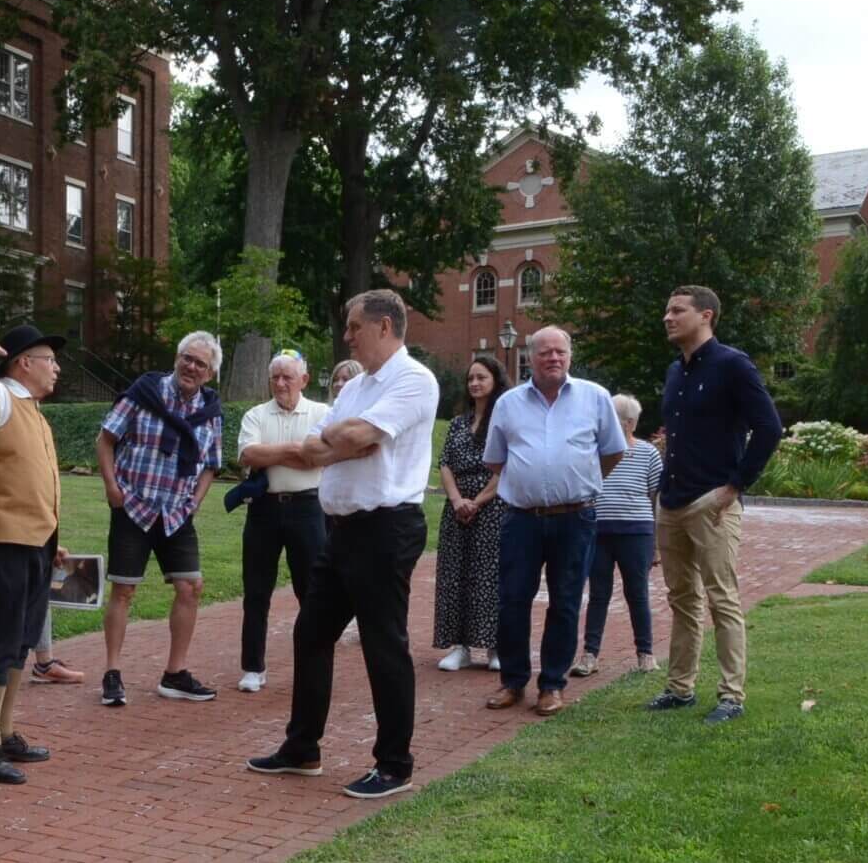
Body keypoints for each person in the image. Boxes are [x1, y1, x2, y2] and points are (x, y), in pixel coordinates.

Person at [245, 289, 437, 799]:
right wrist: (336, 443)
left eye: (354, 326)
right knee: (310, 632)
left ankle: (395, 764)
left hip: (386, 527)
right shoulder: (357, 388)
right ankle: (302, 748)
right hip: (342, 530)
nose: (346, 335)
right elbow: (326, 443)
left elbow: (351, 439)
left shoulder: (414, 380)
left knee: (383, 645)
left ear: (384, 327)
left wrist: (337, 443)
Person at [649, 285, 782, 723]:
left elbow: (769, 429)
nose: (667, 317)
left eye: (677, 310)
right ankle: (680, 688)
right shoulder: (675, 371)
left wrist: (734, 487)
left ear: (706, 315)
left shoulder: (732, 365)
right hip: (672, 503)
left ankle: (731, 696)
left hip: (712, 503)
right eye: (667, 310)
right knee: (682, 599)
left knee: (721, 599)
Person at [481, 327, 625, 717]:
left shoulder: (594, 397)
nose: (554, 358)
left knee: (564, 601)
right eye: (545, 352)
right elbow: (496, 459)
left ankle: (552, 684)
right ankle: (512, 681)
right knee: (512, 600)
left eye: (560, 351)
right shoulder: (509, 403)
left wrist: (578, 480)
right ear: (530, 357)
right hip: (521, 520)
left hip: (574, 517)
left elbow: (612, 452)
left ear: (570, 356)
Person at [0, 321, 68, 784]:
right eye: (50, 361)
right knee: (3, 638)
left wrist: (52, 540)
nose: (57, 369)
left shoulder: (35, 413)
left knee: (23, 639)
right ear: (25, 363)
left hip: (34, 542)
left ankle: (3, 733)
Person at [95, 331, 226, 706]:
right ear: (177, 358)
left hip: (176, 514)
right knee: (124, 589)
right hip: (134, 506)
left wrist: (195, 502)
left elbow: (211, 465)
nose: (191, 366)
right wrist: (111, 487)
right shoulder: (145, 393)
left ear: (209, 373)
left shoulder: (210, 411)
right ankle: (112, 673)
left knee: (191, 587)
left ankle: (175, 674)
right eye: (187, 357)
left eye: (200, 363)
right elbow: (105, 440)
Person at [0, 420, 90, 684]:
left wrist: (51, 538)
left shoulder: (35, 422)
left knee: (34, 588)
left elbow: (41, 481)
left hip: (23, 520)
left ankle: (42, 662)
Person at [233, 349, 330, 692]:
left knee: (312, 591)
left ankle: (313, 667)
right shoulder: (256, 414)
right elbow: (248, 454)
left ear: (303, 379)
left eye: (287, 376)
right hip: (264, 509)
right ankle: (252, 668)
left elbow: (322, 456)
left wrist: (274, 454)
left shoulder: (322, 412)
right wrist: (297, 451)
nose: (280, 383)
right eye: (275, 376)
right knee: (256, 590)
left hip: (309, 509)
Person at [577, 394, 663, 678]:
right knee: (598, 594)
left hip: (636, 533)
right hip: (598, 532)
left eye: (610, 417)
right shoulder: (594, 451)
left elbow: (655, 499)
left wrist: (656, 545)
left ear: (627, 423)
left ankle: (645, 654)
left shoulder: (648, 453)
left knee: (637, 593)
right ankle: (590, 655)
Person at [432, 355, 509, 673]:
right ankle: (459, 647)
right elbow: (445, 463)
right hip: (457, 508)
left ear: (495, 382)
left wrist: (476, 501)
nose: (475, 383)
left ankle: (494, 647)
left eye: (482, 378)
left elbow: (506, 466)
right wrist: (456, 500)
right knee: (454, 576)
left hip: (491, 508)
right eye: (471, 378)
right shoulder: (458, 423)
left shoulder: (504, 421)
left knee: (489, 577)